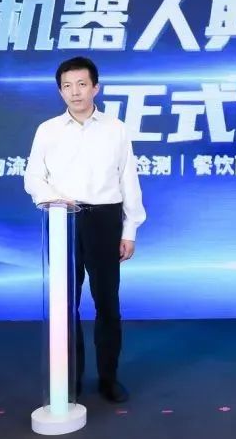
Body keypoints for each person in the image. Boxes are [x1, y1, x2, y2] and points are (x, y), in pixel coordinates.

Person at [24, 56, 145, 404]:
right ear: (60, 91)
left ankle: (109, 378)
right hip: (63, 219)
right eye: (67, 86)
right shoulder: (47, 130)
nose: (74, 92)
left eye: (81, 84)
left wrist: (130, 229)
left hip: (105, 219)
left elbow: (128, 180)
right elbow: (33, 177)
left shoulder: (115, 129)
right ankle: (69, 380)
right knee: (65, 305)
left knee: (107, 302)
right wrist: (55, 201)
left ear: (95, 87)